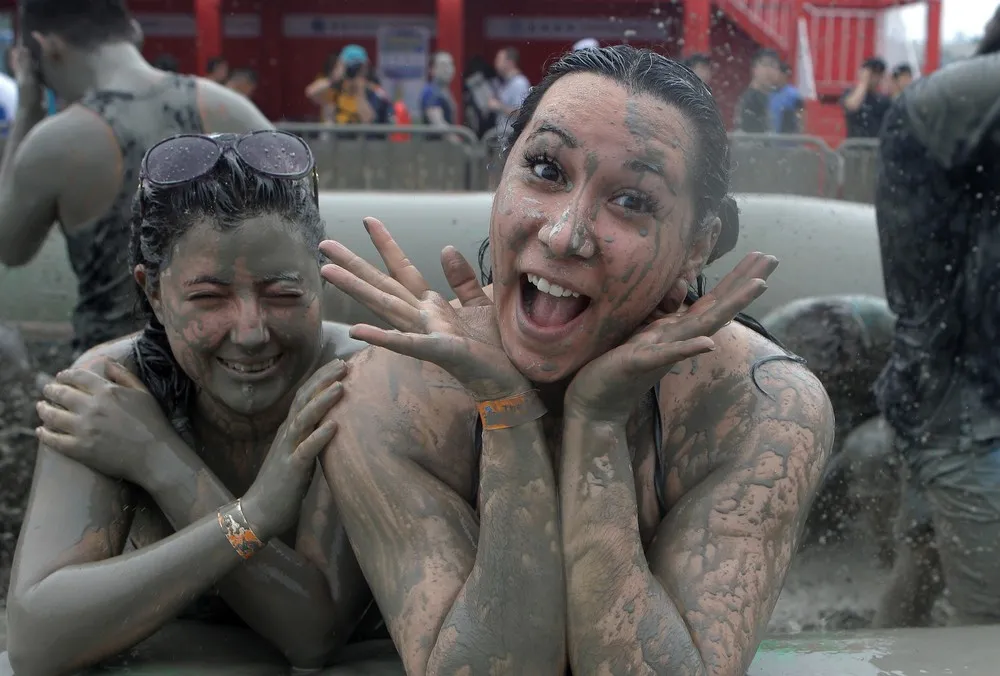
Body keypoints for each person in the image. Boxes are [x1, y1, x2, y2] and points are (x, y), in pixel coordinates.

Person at [318, 46, 834, 675]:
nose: (566, 233)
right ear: (498, 176)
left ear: (697, 246)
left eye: (635, 202)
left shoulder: (758, 407)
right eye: (544, 168)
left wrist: (596, 425)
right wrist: (507, 413)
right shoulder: (390, 396)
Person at [2, 131, 378, 675]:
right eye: (208, 298)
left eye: (283, 294)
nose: (250, 332)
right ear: (153, 293)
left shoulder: (354, 378)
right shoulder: (114, 388)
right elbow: (37, 639)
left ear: (321, 285)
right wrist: (249, 514)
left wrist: (160, 460)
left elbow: (310, 634)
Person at [0, 0, 273, 357]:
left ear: (45, 47)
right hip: (227, 362)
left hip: (112, 374)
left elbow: (10, 247)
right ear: (134, 31)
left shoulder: (56, 142)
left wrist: (27, 112)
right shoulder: (232, 111)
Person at [871, 29, 1000, 629]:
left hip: (929, 389)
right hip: (965, 412)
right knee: (989, 621)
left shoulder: (952, 108)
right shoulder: (965, 100)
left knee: (921, 564)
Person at [304, 45, 391, 126]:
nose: (353, 71)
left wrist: (360, 90)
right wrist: (335, 78)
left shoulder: (373, 91)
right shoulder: (334, 90)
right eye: (349, 66)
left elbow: (368, 120)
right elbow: (311, 93)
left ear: (366, 68)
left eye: (357, 67)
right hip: (335, 140)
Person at [489, 46, 531, 145]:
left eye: (499, 59)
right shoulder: (505, 83)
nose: (495, 63)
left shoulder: (519, 83)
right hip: (503, 141)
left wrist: (498, 106)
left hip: (513, 141)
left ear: (510, 63)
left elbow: (521, 113)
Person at [842, 56, 891, 138]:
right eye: (873, 73)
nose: (875, 78)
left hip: (875, 146)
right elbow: (852, 106)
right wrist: (864, 82)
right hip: (855, 146)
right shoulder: (850, 92)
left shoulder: (883, 100)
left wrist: (887, 84)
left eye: (879, 74)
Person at [735, 48, 780, 133]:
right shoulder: (750, 100)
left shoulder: (775, 98)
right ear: (754, 69)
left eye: (773, 65)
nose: (769, 71)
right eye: (765, 64)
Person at [419, 51, 457, 127]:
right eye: (443, 65)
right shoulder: (431, 92)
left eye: (451, 64)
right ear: (433, 69)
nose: (448, 69)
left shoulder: (444, 90)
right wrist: (453, 137)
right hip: (436, 139)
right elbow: (438, 125)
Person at [770, 61, 803, 134]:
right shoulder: (770, 93)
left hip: (786, 139)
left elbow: (801, 114)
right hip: (771, 138)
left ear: (783, 75)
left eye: (776, 72)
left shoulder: (793, 94)